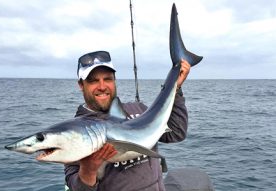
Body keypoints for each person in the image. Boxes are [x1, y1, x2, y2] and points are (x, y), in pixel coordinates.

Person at [65, 50, 191, 191]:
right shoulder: (74, 132)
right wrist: (88, 170)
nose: (102, 86)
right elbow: (75, 185)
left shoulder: (139, 109)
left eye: (107, 79)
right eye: (93, 81)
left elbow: (176, 133)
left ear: (114, 81)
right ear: (81, 85)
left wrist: (176, 88)